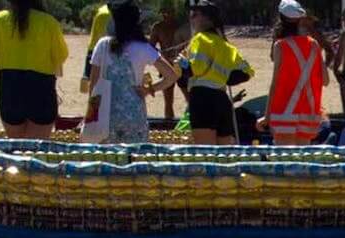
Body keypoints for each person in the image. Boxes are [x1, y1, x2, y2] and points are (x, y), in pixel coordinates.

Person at [87, 1, 178, 142]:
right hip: (134, 115)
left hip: (106, 114)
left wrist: (91, 115)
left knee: (110, 159)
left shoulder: (102, 45)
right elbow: (171, 76)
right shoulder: (143, 48)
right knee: (133, 159)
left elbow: (93, 85)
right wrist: (150, 89)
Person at [0, 0, 66, 139]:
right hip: (41, 90)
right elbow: (60, 56)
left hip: (10, 89)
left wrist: (10, 59)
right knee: (37, 150)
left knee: (16, 149)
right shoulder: (49, 22)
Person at [177, 1, 247, 145]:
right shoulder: (226, 45)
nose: (191, 19)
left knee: (206, 153)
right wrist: (225, 78)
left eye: (195, 15)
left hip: (202, 99)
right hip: (222, 100)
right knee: (225, 154)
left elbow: (196, 69)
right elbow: (246, 72)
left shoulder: (200, 39)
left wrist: (183, 64)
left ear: (206, 19)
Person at [268, 0, 325, 145]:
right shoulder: (314, 45)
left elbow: (274, 84)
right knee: (302, 162)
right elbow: (325, 80)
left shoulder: (280, 46)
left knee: (284, 161)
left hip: (284, 110)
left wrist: (267, 115)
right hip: (308, 111)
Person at [149, 0, 180, 120]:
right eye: (163, 13)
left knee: (190, 98)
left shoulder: (180, 25)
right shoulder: (157, 27)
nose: (166, 15)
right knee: (168, 100)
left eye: (168, 12)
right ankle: (169, 126)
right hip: (167, 65)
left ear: (174, 12)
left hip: (182, 65)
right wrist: (161, 57)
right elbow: (150, 47)